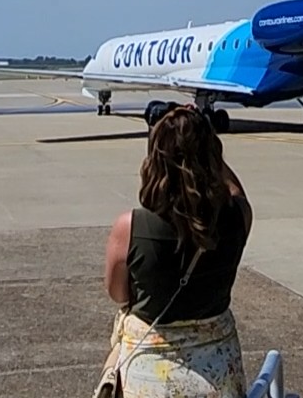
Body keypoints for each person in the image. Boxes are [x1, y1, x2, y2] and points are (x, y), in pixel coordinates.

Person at [101, 105, 251, 398]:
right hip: (218, 375)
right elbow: (236, 193)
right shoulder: (237, 217)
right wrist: (202, 137)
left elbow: (118, 295)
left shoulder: (130, 227)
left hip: (150, 380)